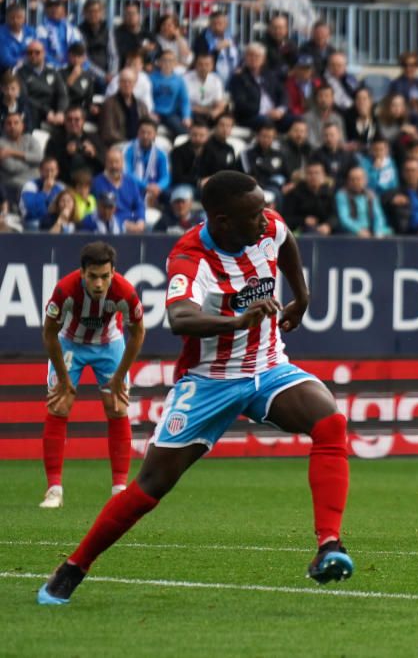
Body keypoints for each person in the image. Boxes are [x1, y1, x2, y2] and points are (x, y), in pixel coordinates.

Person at [38, 171, 355, 605]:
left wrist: (302, 297)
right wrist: (237, 321)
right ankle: (74, 566)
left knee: (330, 419)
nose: (265, 220)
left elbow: (286, 244)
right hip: (209, 380)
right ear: (222, 221)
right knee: (151, 485)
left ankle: (328, 547)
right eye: (254, 214)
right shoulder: (190, 257)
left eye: (264, 209)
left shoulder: (267, 227)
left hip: (267, 366)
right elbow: (179, 319)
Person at [37, 242, 145, 509]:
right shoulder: (65, 290)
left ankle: (120, 490)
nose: (99, 284)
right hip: (71, 343)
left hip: (109, 344)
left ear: (113, 273)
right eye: (93, 276)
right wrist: (63, 377)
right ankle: (54, 490)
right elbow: (49, 332)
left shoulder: (125, 293)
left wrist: (120, 376)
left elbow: (138, 333)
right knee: (59, 405)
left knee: (117, 406)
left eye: (105, 277)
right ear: (83, 273)